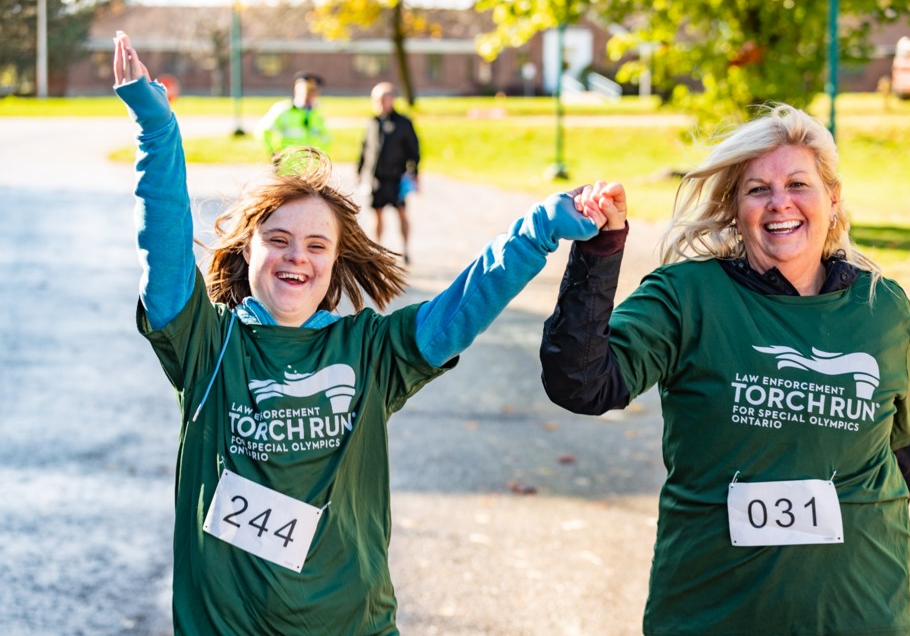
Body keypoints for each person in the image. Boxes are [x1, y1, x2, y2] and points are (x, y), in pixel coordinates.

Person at [113, 31, 603, 635]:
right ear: (246, 251)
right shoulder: (207, 345)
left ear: (336, 263)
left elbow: (463, 306)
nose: (298, 257)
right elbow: (163, 256)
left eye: (317, 245)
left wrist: (541, 227)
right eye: (279, 239)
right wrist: (157, 130)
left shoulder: (370, 351)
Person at [540, 104, 910, 635]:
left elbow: (899, 454)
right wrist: (602, 248)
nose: (779, 203)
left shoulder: (884, 308)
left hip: (860, 614)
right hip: (712, 613)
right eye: (757, 189)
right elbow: (580, 383)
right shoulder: (686, 297)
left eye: (798, 184)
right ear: (734, 209)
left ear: (832, 200)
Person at [357, 82, 419, 264]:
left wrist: (413, 172)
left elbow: (414, 150)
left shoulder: (403, 123)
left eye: (383, 98)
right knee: (376, 213)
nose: (379, 102)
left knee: (401, 212)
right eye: (375, 99)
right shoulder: (372, 122)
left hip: (396, 177)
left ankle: (405, 248)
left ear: (392, 99)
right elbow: (364, 148)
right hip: (376, 177)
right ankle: (377, 249)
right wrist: (360, 170)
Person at [256, 70, 331, 157]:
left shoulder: (317, 113)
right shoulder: (283, 109)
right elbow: (263, 131)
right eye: (306, 89)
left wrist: (322, 159)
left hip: (311, 165)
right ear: (297, 89)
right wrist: (272, 153)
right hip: (288, 165)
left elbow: (325, 139)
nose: (309, 93)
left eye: (313, 89)